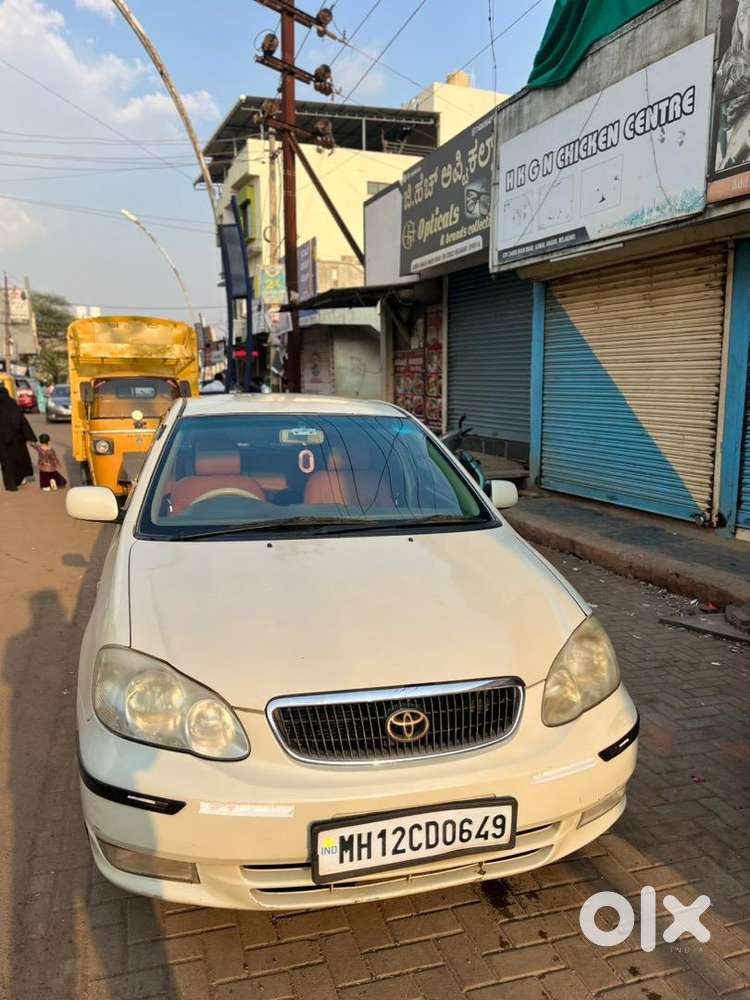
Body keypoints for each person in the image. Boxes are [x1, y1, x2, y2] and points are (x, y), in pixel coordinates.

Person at [0, 385, 36, 491]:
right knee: (18, 460)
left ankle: (10, 485)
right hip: (17, 440)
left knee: (6, 462)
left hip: (2, 441)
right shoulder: (13, 406)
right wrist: (30, 437)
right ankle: (18, 480)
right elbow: (23, 422)